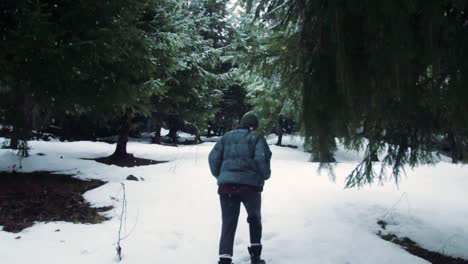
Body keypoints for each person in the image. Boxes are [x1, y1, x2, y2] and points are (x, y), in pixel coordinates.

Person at [208, 112, 272, 264]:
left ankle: (224, 259)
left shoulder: (226, 137)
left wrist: (221, 176)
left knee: (228, 222)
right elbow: (261, 158)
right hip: (250, 187)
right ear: (254, 125)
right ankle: (255, 256)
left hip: (227, 187)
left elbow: (213, 158)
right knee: (254, 218)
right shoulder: (256, 137)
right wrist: (265, 175)